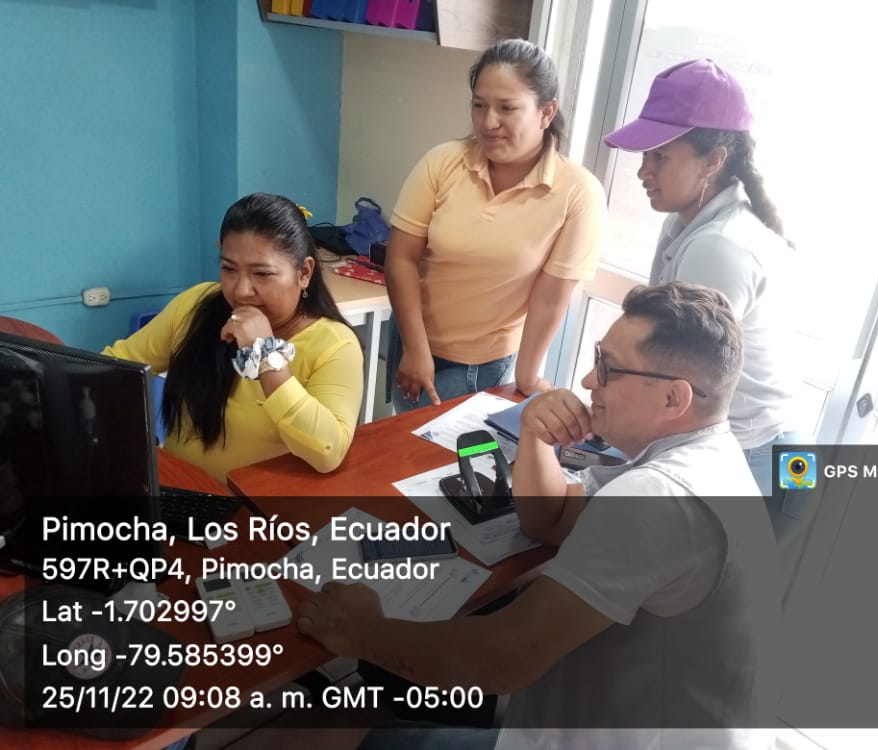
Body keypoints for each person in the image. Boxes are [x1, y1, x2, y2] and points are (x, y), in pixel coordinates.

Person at [298, 282, 780, 750]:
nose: (589, 382)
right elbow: (549, 522)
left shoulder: (659, 496)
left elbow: (505, 658)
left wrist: (361, 631)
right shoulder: (703, 455)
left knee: (354, 736)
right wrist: (534, 434)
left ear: (674, 398)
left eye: (608, 369)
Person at [603, 59, 808, 500]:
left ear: (713, 161)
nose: (643, 171)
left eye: (660, 156)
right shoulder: (687, 223)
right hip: (772, 445)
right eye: (644, 155)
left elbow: (674, 378)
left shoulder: (718, 246)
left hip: (767, 457)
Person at [385, 38, 606, 414]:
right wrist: (415, 349)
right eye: (479, 105)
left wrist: (527, 377)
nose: (488, 123)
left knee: (472, 453)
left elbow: (551, 296)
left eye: (507, 108)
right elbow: (401, 258)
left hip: (486, 367)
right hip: (413, 345)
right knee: (401, 448)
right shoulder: (443, 162)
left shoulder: (578, 192)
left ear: (546, 112)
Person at [103, 192, 364, 483]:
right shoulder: (196, 305)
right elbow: (117, 366)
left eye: (262, 274)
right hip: (183, 488)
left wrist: (266, 356)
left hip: (261, 504)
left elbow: (328, 453)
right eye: (228, 269)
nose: (241, 290)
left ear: (304, 273)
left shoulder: (335, 345)